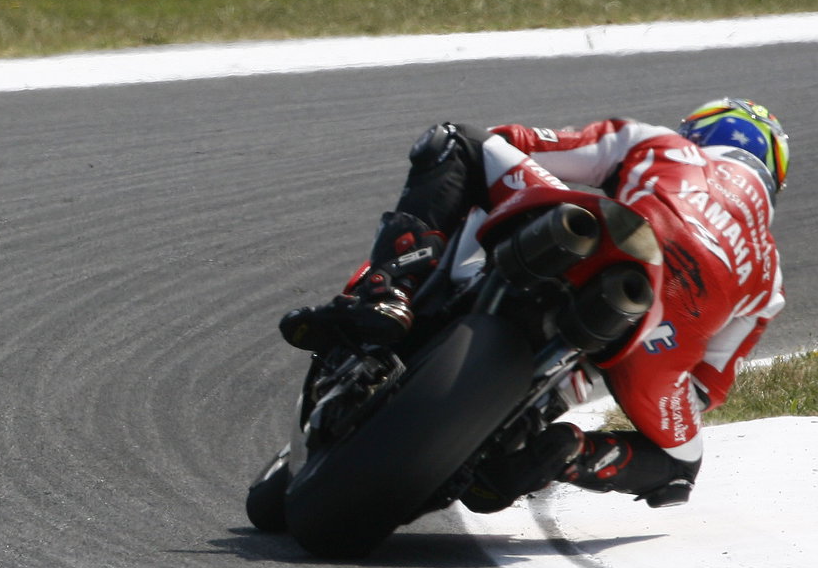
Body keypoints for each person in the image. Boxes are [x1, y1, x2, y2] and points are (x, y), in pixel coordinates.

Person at [279, 98, 788, 511]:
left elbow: (514, 143)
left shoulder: (664, 144)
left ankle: (390, 290)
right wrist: (606, 379)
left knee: (455, 142)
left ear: (701, 131)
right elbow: (705, 388)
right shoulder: (769, 275)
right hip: (649, 335)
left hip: (588, 234)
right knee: (680, 468)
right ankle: (563, 453)